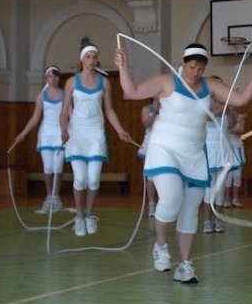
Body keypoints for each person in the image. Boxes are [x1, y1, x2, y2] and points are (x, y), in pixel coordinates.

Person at [114, 42, 252, 283]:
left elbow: (240, 99)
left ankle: (185, 265)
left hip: (194, 153)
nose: (196, 72)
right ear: (183, 64)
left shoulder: (209, 85)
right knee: (171, 197)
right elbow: (132, 91)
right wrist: (123, 67)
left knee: (190, 210)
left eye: (200, 68)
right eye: (192, 67)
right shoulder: (166, 81)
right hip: (165, 149)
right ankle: (161, 246)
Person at [60, 44, 131, 236]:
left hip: (96, 133)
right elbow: (64, 111)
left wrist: (120, 130)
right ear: (82, 59)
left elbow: (109, 111)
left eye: (94, 56)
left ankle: (89, 214)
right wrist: (64, 130)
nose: (92, 60)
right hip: (76, 133)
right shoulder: (71, 82)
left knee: (93, 179)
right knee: (80, 178)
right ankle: (79, 216)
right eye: (88, 56)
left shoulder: (104, 82)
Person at [9, 65, 65, 213]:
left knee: (58, 167)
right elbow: (35, 118)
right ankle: (49, 196)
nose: (53, 79)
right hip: (46, 133)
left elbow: (71, 114)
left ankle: (56, 197)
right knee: (48, 167)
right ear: (46, 78)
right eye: (50, 76)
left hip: (60, 133)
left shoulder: (65, 95)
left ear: (59, 78)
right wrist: (22, 134)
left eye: (55, 76)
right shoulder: (41, 96)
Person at [200, 85, 225, 233]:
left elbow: (232, 124)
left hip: (223, 152)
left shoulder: (225, 107)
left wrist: (230, 110)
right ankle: (207, 220)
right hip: (209, 151)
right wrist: (219, 109)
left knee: (220, 189)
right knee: (209, 189)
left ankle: (218, 219)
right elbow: (205, 118)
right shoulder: (204, 106)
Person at [138, 96, 160, 217]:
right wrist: (155, 111)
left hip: (164, 146)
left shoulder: (169, 107)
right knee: (150, 176)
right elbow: (146, 124)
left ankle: (162, 203)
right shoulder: (146, 109)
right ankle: (151, 202)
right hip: (149, 145)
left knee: (162, 176)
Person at [223, 107, 246, 208]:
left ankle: (235, 199)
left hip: (238, 148)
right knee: (228, 175)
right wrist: (230, 130)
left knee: (237, 175)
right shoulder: (223, 116)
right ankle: (227, 198)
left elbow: (240, 130)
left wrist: (228, 130)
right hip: (227, 147)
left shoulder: (240, 116)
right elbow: (223, 130)